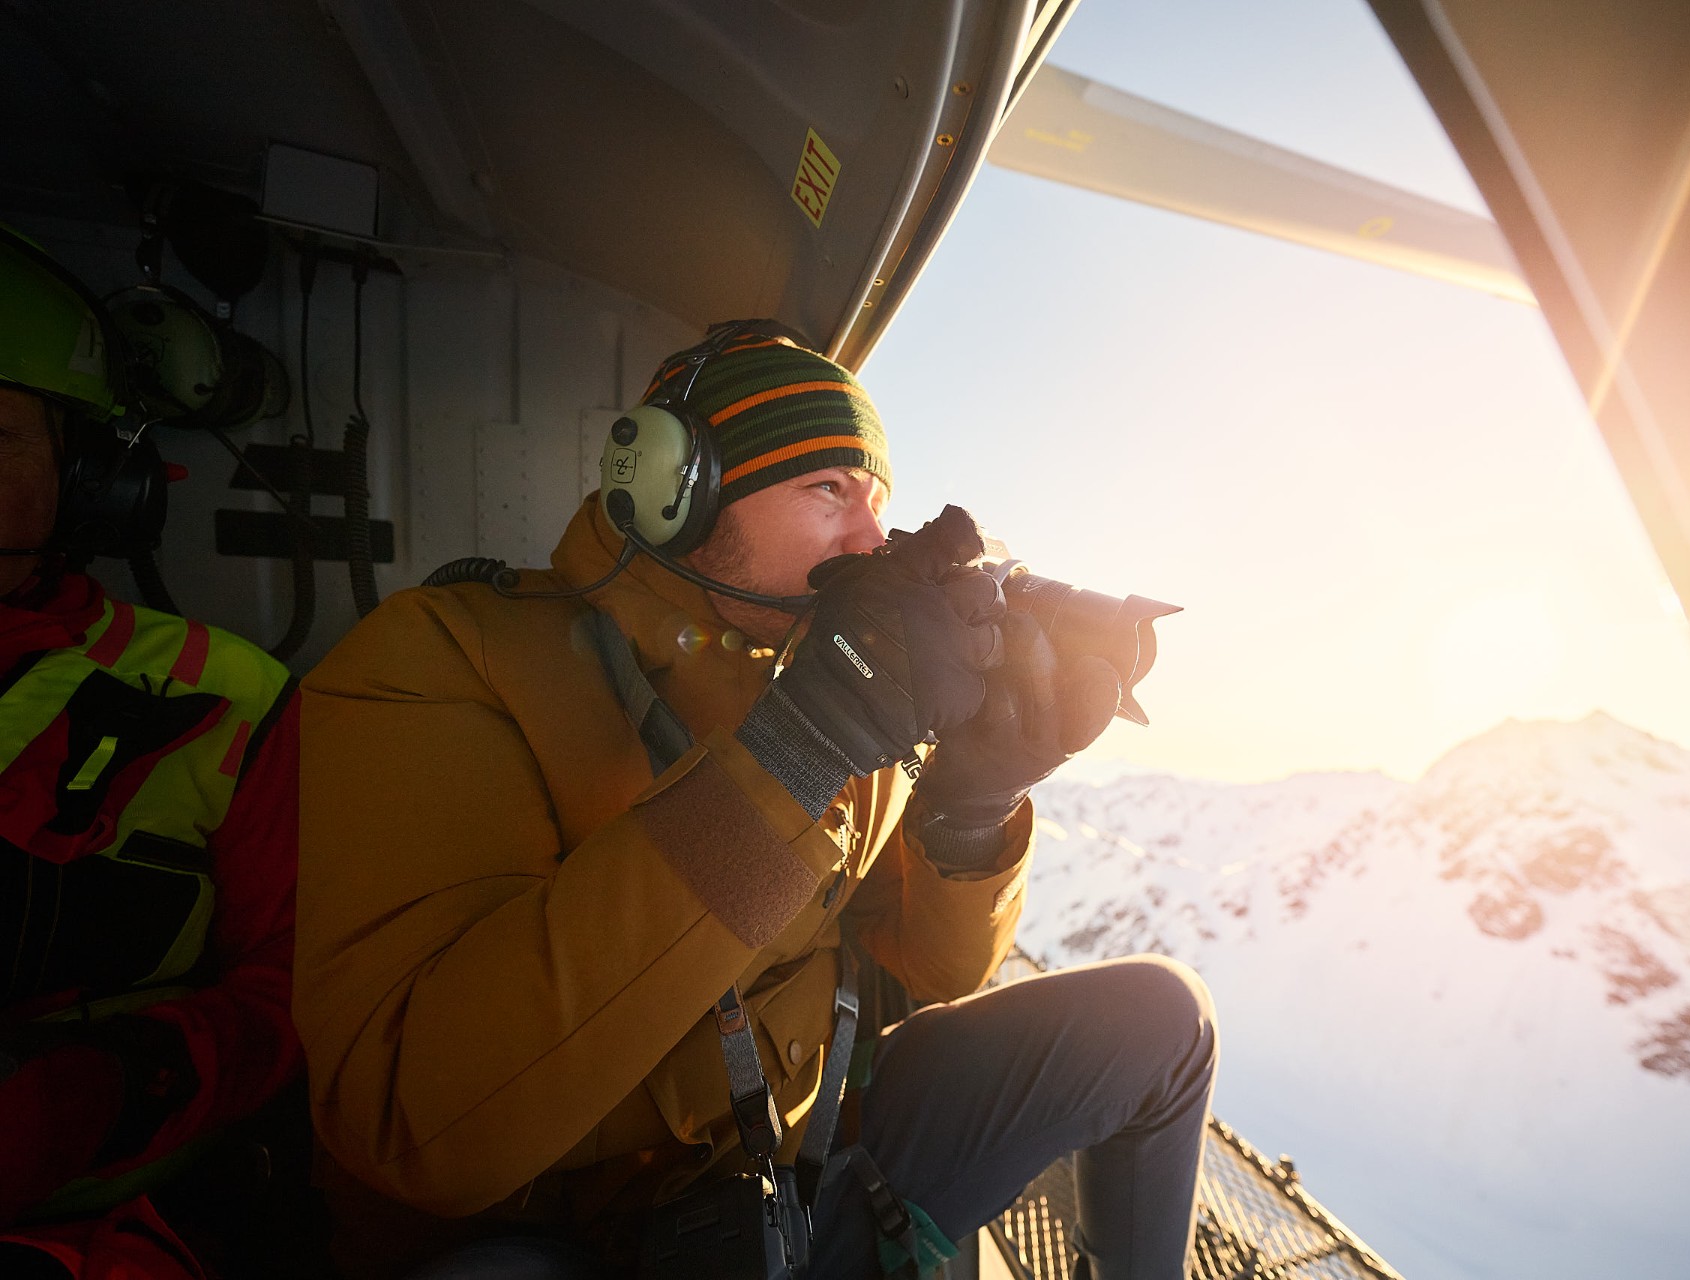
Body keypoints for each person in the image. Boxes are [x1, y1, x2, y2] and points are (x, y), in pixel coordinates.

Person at [295, 322, 1218, 1278]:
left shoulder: (832, 682)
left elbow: (929, 973)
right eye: (828, 490)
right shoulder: (443, 659)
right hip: (583, 1236)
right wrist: (793, 755)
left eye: (878, 502)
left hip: (804, 1178)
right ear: (677, 495)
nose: (871, 538)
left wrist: (971, 809)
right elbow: (411, 1122)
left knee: (1164, 1019)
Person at [0, 228, 304, 1277]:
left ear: (94, 478)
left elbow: (300, 989)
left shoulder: (232, 695)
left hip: (109, 1232)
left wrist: (107, 1085)